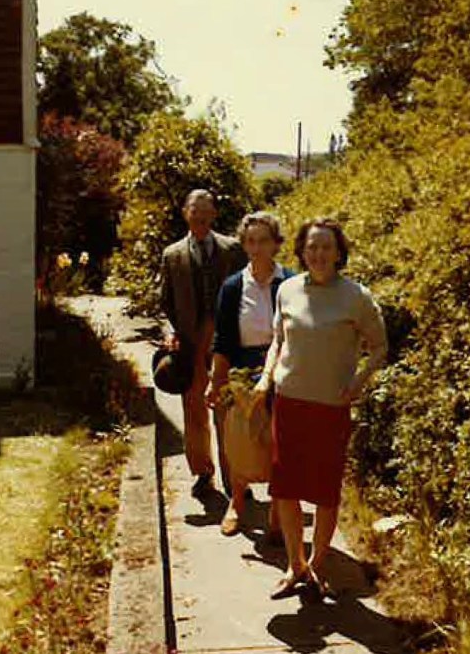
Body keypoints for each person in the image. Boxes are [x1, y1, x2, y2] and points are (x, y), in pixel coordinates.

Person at [253, 217, 387, 600]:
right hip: (290, 403)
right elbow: (278, 340)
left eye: (326, 247)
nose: (319, 254)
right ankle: (295, 566)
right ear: (301, 250)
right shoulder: (288, 290)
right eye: (312, 246)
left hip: (330, 407)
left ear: (339, 252)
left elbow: (379, 347)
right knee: (287, 488)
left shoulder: (356, 297)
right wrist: (267, 377)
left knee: (325, 493)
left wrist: (357, 384)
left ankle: (317, 563)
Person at [206, 211, 295, 538]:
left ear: (276, 245)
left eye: (264, 241)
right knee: (241, 441)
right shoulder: (232, 287)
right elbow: (223, 339)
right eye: (251, 241)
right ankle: (237, 503)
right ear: (244, 245)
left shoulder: (290, 283)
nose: (257, 248)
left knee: (277, 443)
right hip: (242, 371)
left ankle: (275, 510)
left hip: (282, 370)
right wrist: (216, 382)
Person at [160, 189, 247, 497]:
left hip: (226, 341)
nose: (199, 217)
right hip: (190, 341)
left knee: (229, 411)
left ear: (214, 215)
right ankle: (203, 473)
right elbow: (165, 303)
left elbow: (246, 294)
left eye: (205, 212)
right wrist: (172, 332)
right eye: (194, 211)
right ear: (185, 213)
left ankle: (236, 478)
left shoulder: (234, 250)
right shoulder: (172, 255)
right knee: (194, 410)